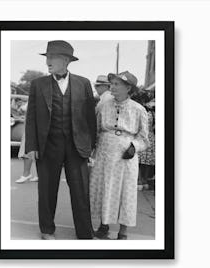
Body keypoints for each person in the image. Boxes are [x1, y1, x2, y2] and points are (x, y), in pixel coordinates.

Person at [25, 40, 96, 240]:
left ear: (65, 60)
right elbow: (31, 117)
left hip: (77, 146)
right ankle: (47, 230)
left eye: (51, 57)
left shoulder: (83, 83)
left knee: (81, 191)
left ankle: (85, 233)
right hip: (48, 145)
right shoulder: (37, 84)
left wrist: (92, 146)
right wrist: (31, 146)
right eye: (46, 57)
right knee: (47, 191)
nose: (47, 61)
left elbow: (90, 117)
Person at [89, 71, 149, 240]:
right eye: (112, 84)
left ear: (128, 88)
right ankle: (103, 226)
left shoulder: (139, 110)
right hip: (104, 153)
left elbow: (144, 138)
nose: (112, 87)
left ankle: (123, 232)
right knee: (103, 188)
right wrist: (91, 150)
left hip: (125, 157)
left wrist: (134, 147)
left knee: (125, 191)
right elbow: (96, 129)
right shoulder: (103, 106)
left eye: (116, 84)